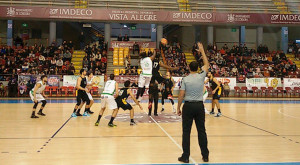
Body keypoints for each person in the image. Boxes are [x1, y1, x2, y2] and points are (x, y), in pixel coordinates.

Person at [177, 42, 209, 163]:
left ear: (189, 68)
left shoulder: (185, 79)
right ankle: (205, 155)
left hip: (189, 106)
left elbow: (181, 95)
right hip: (199, 106)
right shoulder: (201, 76)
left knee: (186, 132)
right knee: (201, 130)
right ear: (197, 68)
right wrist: (202, 50)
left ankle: (185, 156)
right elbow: (206, 64)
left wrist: (178, 108)